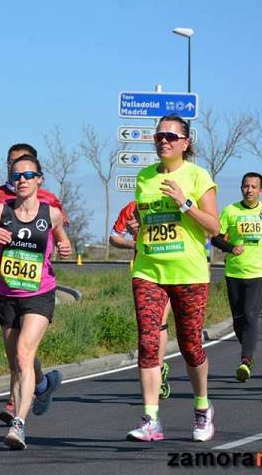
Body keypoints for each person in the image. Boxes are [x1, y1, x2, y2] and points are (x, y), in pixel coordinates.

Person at [126, 114, 219, 443]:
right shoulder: (144, 177)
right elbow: (144, 216)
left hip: (189, 272)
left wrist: (185, 202)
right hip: (148, 270)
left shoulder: (197, 175)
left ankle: (202, 407)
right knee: (148, 342)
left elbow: (214, 226)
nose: (163, 141)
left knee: (191, 344)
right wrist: (138, 229)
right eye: (159, 136)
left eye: (170, 136)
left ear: (185, 142)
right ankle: (151, 418)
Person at [0, 154, 71, 449]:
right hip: (7, 292)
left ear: (39, 179)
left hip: (39, 293)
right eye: (17, 177)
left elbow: (64, 242)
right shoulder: (0, 210)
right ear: (11, 181)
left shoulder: (50, 213)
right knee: (15, 361)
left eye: (28, 175)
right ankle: (42, 385)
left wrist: (65, 247)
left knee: (25, 354)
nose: (22, 181)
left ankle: (19, 424)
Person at [109, 201, 172, 399]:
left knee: (161, 322)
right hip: (146, 273)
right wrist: (134, 242)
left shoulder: (175, 202)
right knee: (153, 324)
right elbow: (114, 237)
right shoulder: (133, 206)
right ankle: (157, 371)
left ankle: (159, 368)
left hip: (175, 270)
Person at [211, 172, 262, 382]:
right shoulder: (230, 211)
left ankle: (246, 360)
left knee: (251, 315)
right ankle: (248, 348)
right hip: (234, 272)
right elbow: (215, 238)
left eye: (253, 187)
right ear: (241, 188)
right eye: (245, 186)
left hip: (258, 273)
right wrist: (231, 248)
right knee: (239, 320)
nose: (249, 190)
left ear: (260, 190)